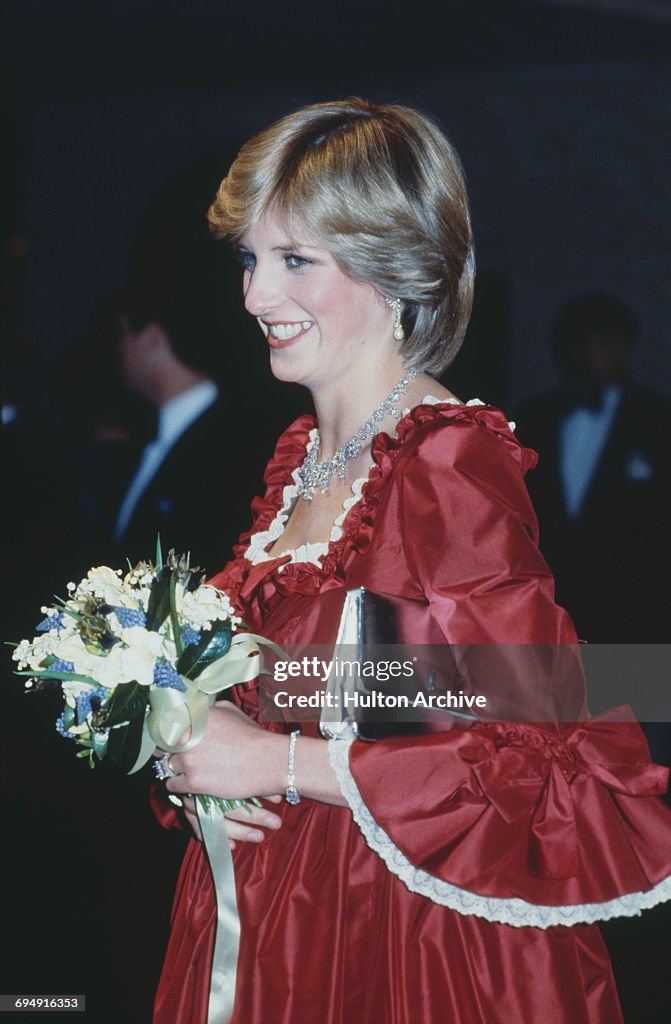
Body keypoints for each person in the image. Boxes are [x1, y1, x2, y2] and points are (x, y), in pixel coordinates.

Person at [150, 98, 671, 1024]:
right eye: (249, 258)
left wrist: (271, 759)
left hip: (397, 937)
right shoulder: (303, 462)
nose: (253, 295)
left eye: (295, 261)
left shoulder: (444, 464)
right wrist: (192, 753)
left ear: (395, 270)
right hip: (274, 914)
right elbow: (343, 696)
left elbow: (532, 759)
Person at [515, 293, 671, 644]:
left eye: (620, 343)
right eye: (601, 343)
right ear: (573, 349)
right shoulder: (536, 416)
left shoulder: (657, 420)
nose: (613, 354)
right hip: (549, 608)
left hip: (634, 612)